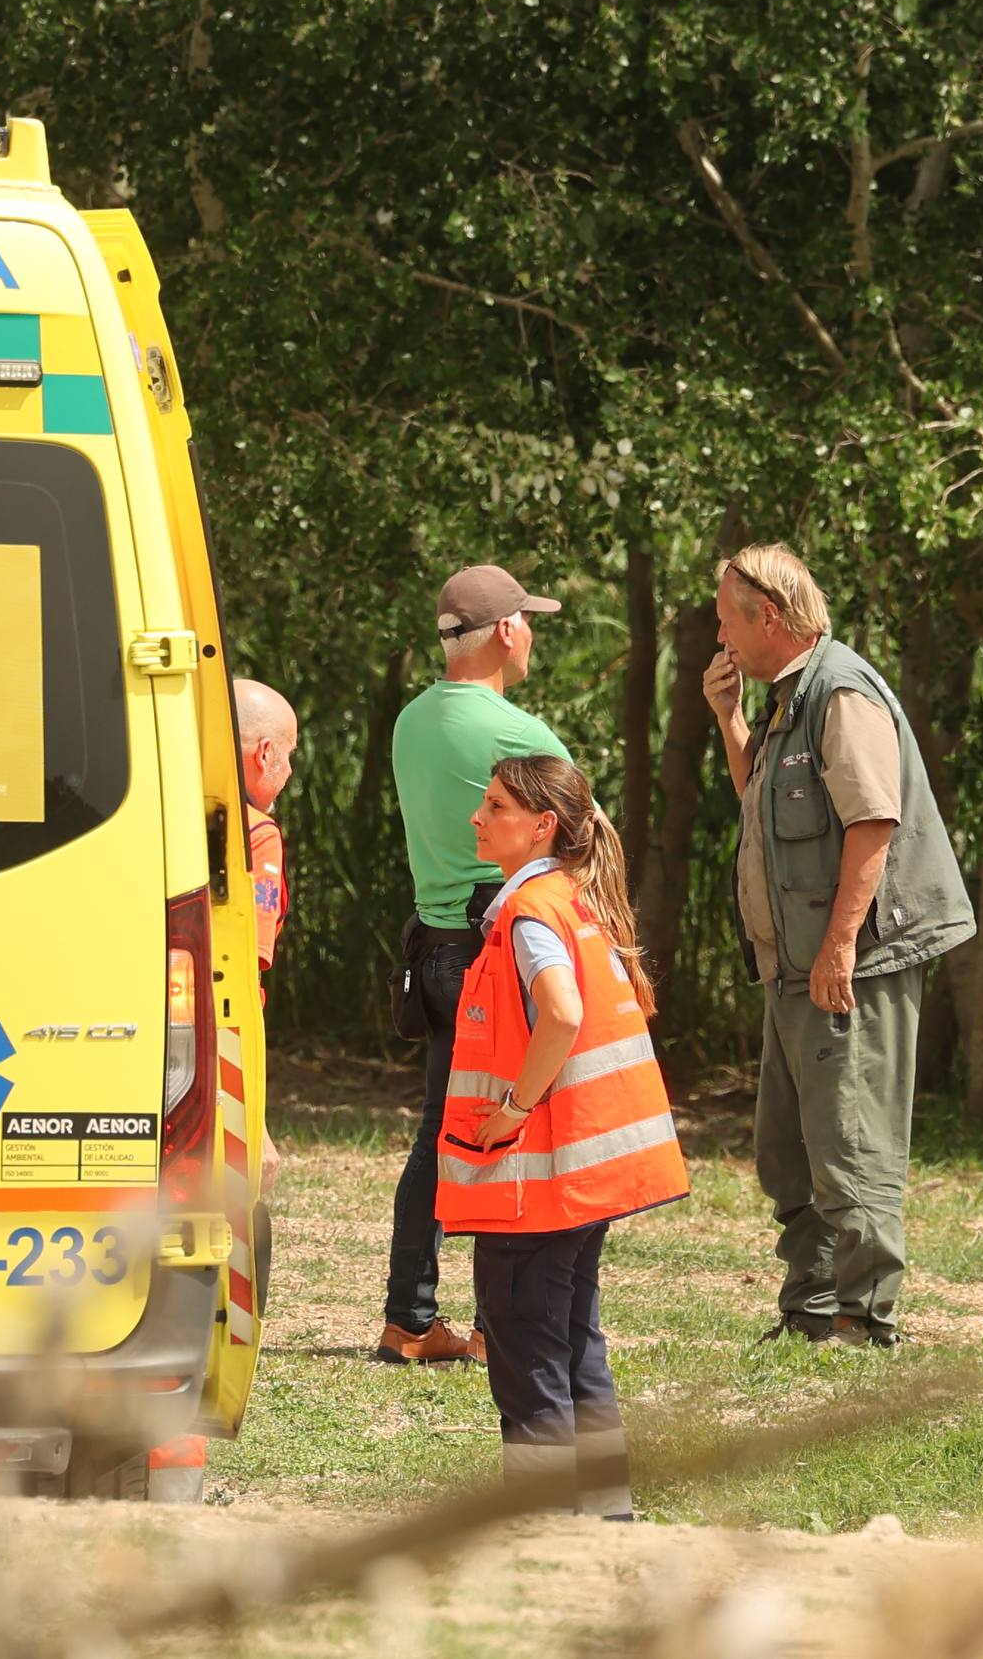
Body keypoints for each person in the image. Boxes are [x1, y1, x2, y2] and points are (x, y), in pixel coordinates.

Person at [703, 545, 974, 1350]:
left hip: (851, 963)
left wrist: (838, 948)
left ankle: (863, 1319)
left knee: (851, 1144)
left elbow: (873, 822)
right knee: (789, 1150)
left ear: (769, 618)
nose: (720, 638)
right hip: (793, 962)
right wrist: (730, 719)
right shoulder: (787, 698)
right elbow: (762, 803)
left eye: (725, 622)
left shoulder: (841, 692)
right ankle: (813, 1310)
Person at [437, 755, 688, 1516]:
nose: (479, 818)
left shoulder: (530, 912)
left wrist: (514, 1107)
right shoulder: (577, 899)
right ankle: (607, 1514)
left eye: (497, 807)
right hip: (583, 1177)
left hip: (535, 1184)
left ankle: (546, 1529)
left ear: (543, 825)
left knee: (529, 1357)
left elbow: (564, 1013)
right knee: (577, 1345)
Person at [380, 564, 570, 1365]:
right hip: (499, 956)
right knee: (512, 1133)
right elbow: (584, 838)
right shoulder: (521, 737)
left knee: (439, 1136)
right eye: (528, 620)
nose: (531, 634)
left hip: (433, 952)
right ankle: (501, 1328)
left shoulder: (410, 721)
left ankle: (409, 1320)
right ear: (506, 631)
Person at [234, 679, 298, 993]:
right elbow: (248, 953)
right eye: (288, 755)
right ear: (265, 753)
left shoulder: (167, 815)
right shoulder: (258, 834)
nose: (289, 770)